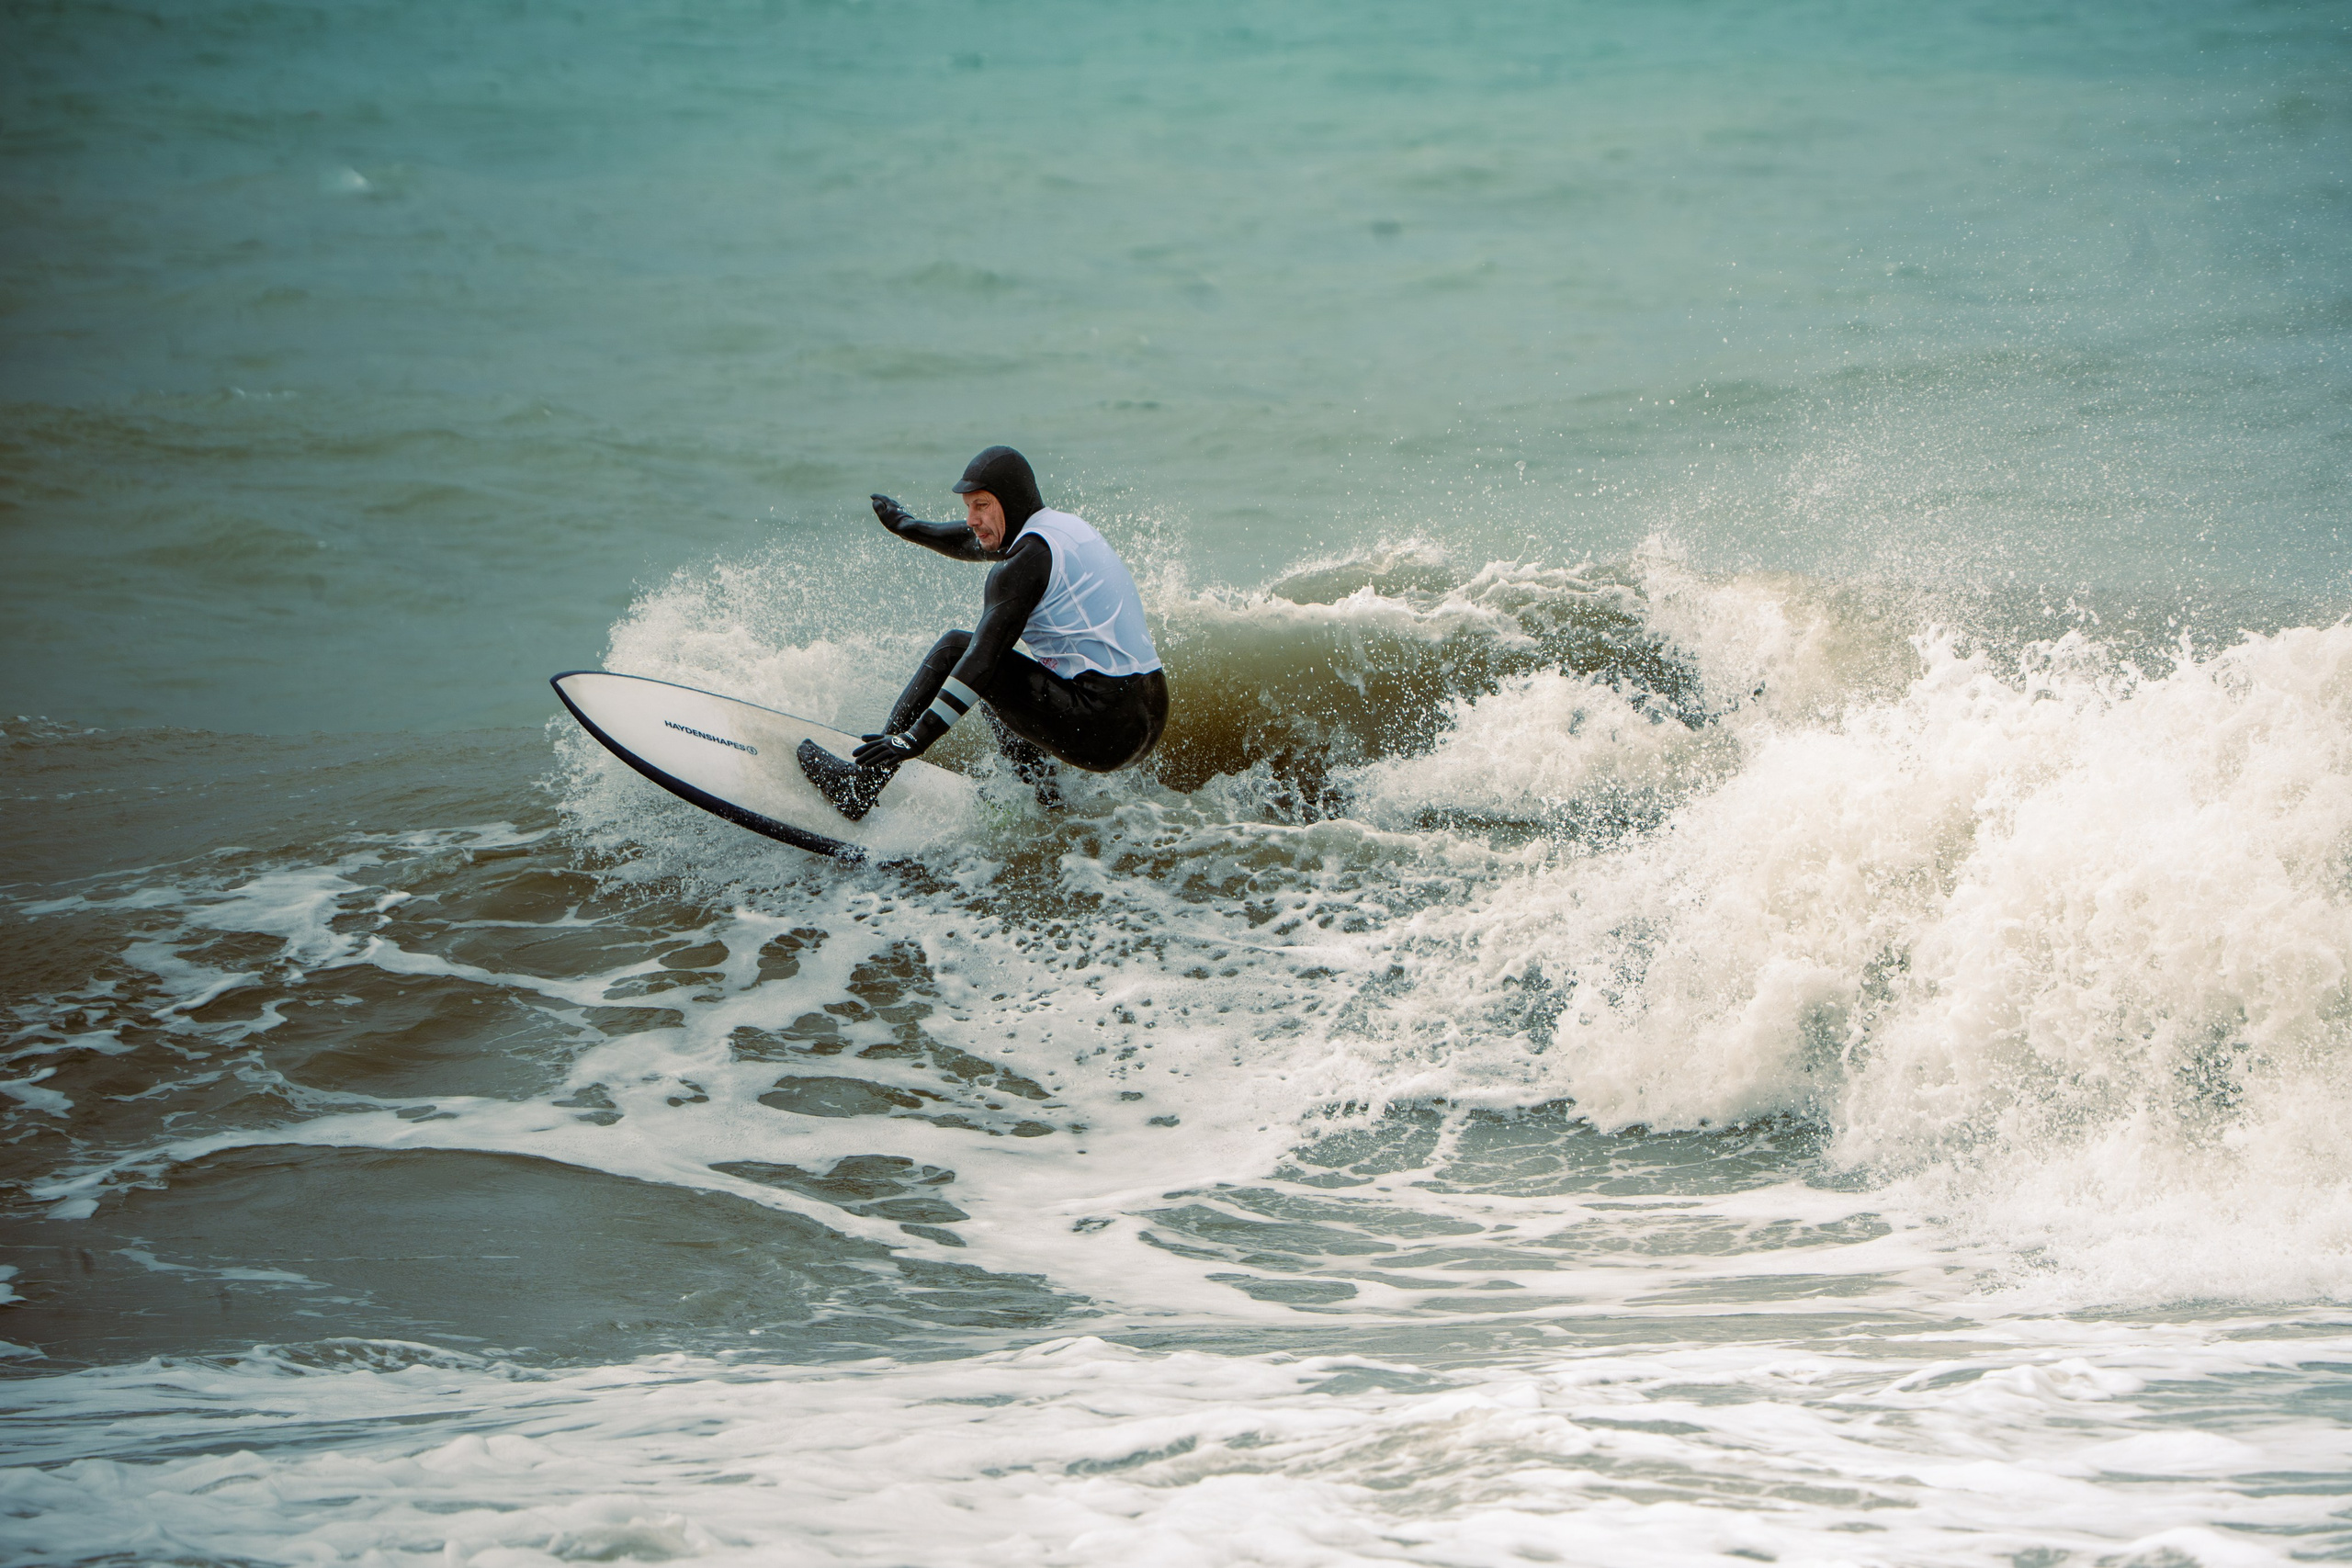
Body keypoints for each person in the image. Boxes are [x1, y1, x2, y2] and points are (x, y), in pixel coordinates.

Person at [797, 446, 1169, 820]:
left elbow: (979, 659)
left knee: (957, 651)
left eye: (981, 505)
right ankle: (1046, 797)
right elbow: (972, 541)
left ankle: (861, 787)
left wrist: (913, 739)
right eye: (968, 507)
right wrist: (906, 525)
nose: (972, 519)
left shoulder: (1024, 563)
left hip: (1105, 728)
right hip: (1146, 714)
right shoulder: (1059, 531)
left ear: (1009, 501)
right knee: (994, 684)